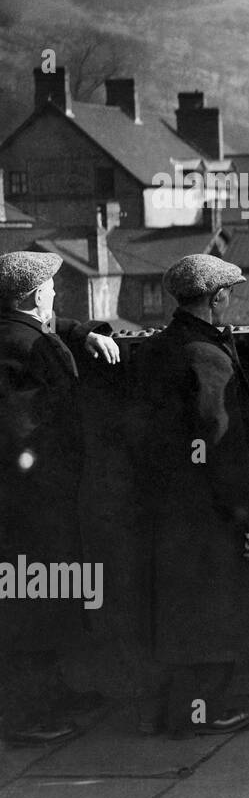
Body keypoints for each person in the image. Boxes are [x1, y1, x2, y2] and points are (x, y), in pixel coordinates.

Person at [131, 254, 249, 738]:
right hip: (209, 513)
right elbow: (223, 446)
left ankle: (166, 711)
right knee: (211, 617)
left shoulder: (158, 349)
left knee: (177, 614)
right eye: (228, 293)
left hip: (167, 507)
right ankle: (199, 713)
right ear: (216, 299)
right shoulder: (208, 357)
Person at [0, 251, 118, 745]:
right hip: (30, 502)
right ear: (30, 296)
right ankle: (26, 716)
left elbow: (52, 327)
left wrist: (83, 332)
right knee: (31, 602)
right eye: (49, 287)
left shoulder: (20, 331)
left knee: (49, 596)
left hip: (42, 498)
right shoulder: (14, 346)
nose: (55, 293)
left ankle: (52, 691)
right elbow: (16, 432)